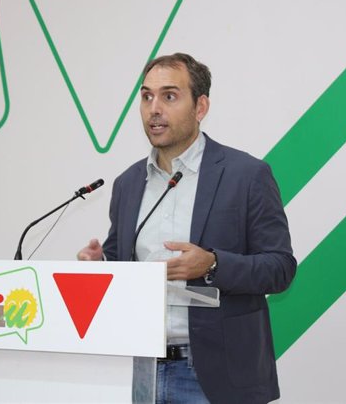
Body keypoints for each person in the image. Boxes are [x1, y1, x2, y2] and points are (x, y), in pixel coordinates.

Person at [78, 53, 296, 404]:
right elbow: (124, 269)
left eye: (169, 96)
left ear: (201, 106)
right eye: (147, 97)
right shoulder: (128, 184)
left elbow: (280, 268)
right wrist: (100, 267)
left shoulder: (246, 175)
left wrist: (212, 264)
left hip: (215, 374)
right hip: (139, 371)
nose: (154, 109)